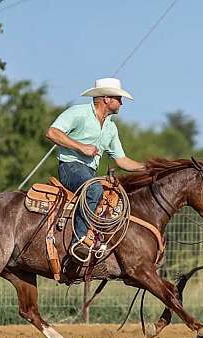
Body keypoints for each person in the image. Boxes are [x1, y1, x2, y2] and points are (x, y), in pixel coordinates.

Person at [45, 77, 144, 259]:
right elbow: (52, 132)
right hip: (70, 167)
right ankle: (80, 241)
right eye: (118, 98)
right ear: (106, 99)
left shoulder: (111, 128)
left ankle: (99, 240)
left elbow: (121, 160)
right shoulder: (79, 113)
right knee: (94, 189)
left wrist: (147, 168)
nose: (121, 103)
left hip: (89, 173)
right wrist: (80, 147)